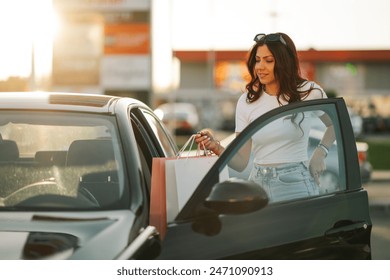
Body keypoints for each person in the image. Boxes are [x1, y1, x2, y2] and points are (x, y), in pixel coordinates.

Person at [195, 32, 335, 202]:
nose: (260, 67)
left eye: (268, 61)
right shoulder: (247, 101)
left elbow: (335, 123)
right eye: (258, 60)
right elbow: (241, 163)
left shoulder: (308, 92)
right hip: (257, 184)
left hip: (295, 183)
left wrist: (320, 152)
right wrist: (216, 147)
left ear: (285, 62)